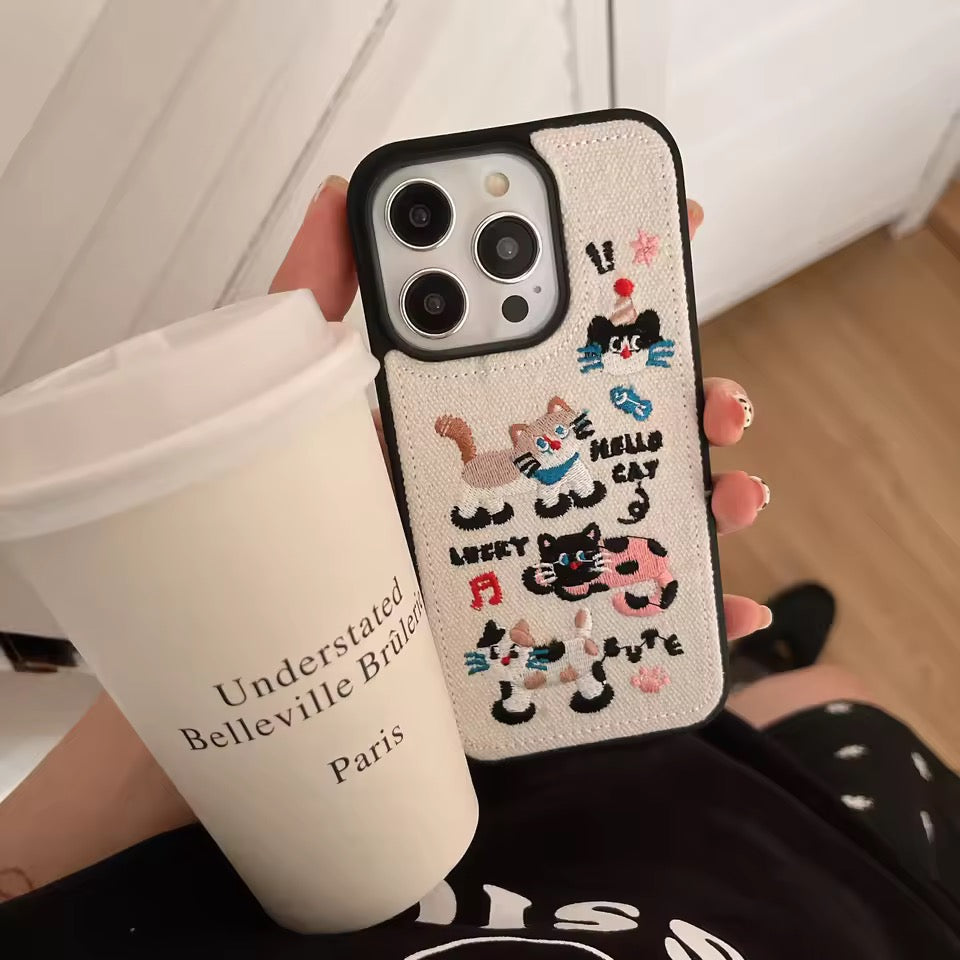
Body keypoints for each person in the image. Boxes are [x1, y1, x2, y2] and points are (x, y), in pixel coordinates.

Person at [1, 178, 958, 958]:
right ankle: (754, 678)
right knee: (839, 706)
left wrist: (184, 675)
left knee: (799, 693)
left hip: (573, 792)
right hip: (816, 888)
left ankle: (749, 677)